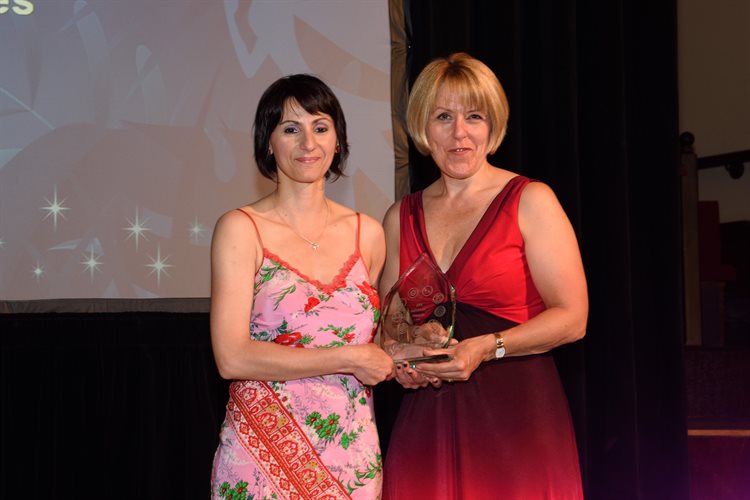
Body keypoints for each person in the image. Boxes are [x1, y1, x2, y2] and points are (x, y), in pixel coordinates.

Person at [381, 53, 588, 499]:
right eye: (443, 117)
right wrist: (404, 358)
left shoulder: (531, 200)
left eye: (473, 116)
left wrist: (486, 348)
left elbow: (573, 318)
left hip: (518, 421)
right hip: (428, 422)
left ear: (492, 126)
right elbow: (389, 327)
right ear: (422, 127)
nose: (459, 132)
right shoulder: (400, 217)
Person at [210, 74, 395, 499]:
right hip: (261, 455)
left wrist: (412, 350)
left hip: (350, 458)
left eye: (321, 127)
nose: (308, 143)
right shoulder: (240, 229)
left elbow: (377, 342)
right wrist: (347, 357)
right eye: (291, 129)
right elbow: (231, 357)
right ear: (268, 143)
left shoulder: (368, 233)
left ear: (338, 141)